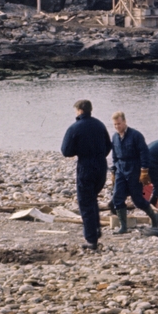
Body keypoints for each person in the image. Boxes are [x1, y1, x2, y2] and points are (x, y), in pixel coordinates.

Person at [60, 99, 112, 251]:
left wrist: (80, 151)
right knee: (92, 198)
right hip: (101, 165)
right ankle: (95, 229)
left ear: (80, 111)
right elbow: (109, 146)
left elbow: (66, 151)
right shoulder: (100, 125)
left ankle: (91, 240)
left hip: (86, 165)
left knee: (86, 202)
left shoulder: (75, 127)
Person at [109, 111, 158, 232]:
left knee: (137, 199)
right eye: (115, 125)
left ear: (125, 122)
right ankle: (123, 226)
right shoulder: (114, 137)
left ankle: (154, 219)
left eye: (119, 123)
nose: (117, 126)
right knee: (117, 197)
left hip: (134, 169)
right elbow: (114, 155)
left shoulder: (136, 135)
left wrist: (144, 170)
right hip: (120, 170)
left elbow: (144, 153)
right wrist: (113, 170)